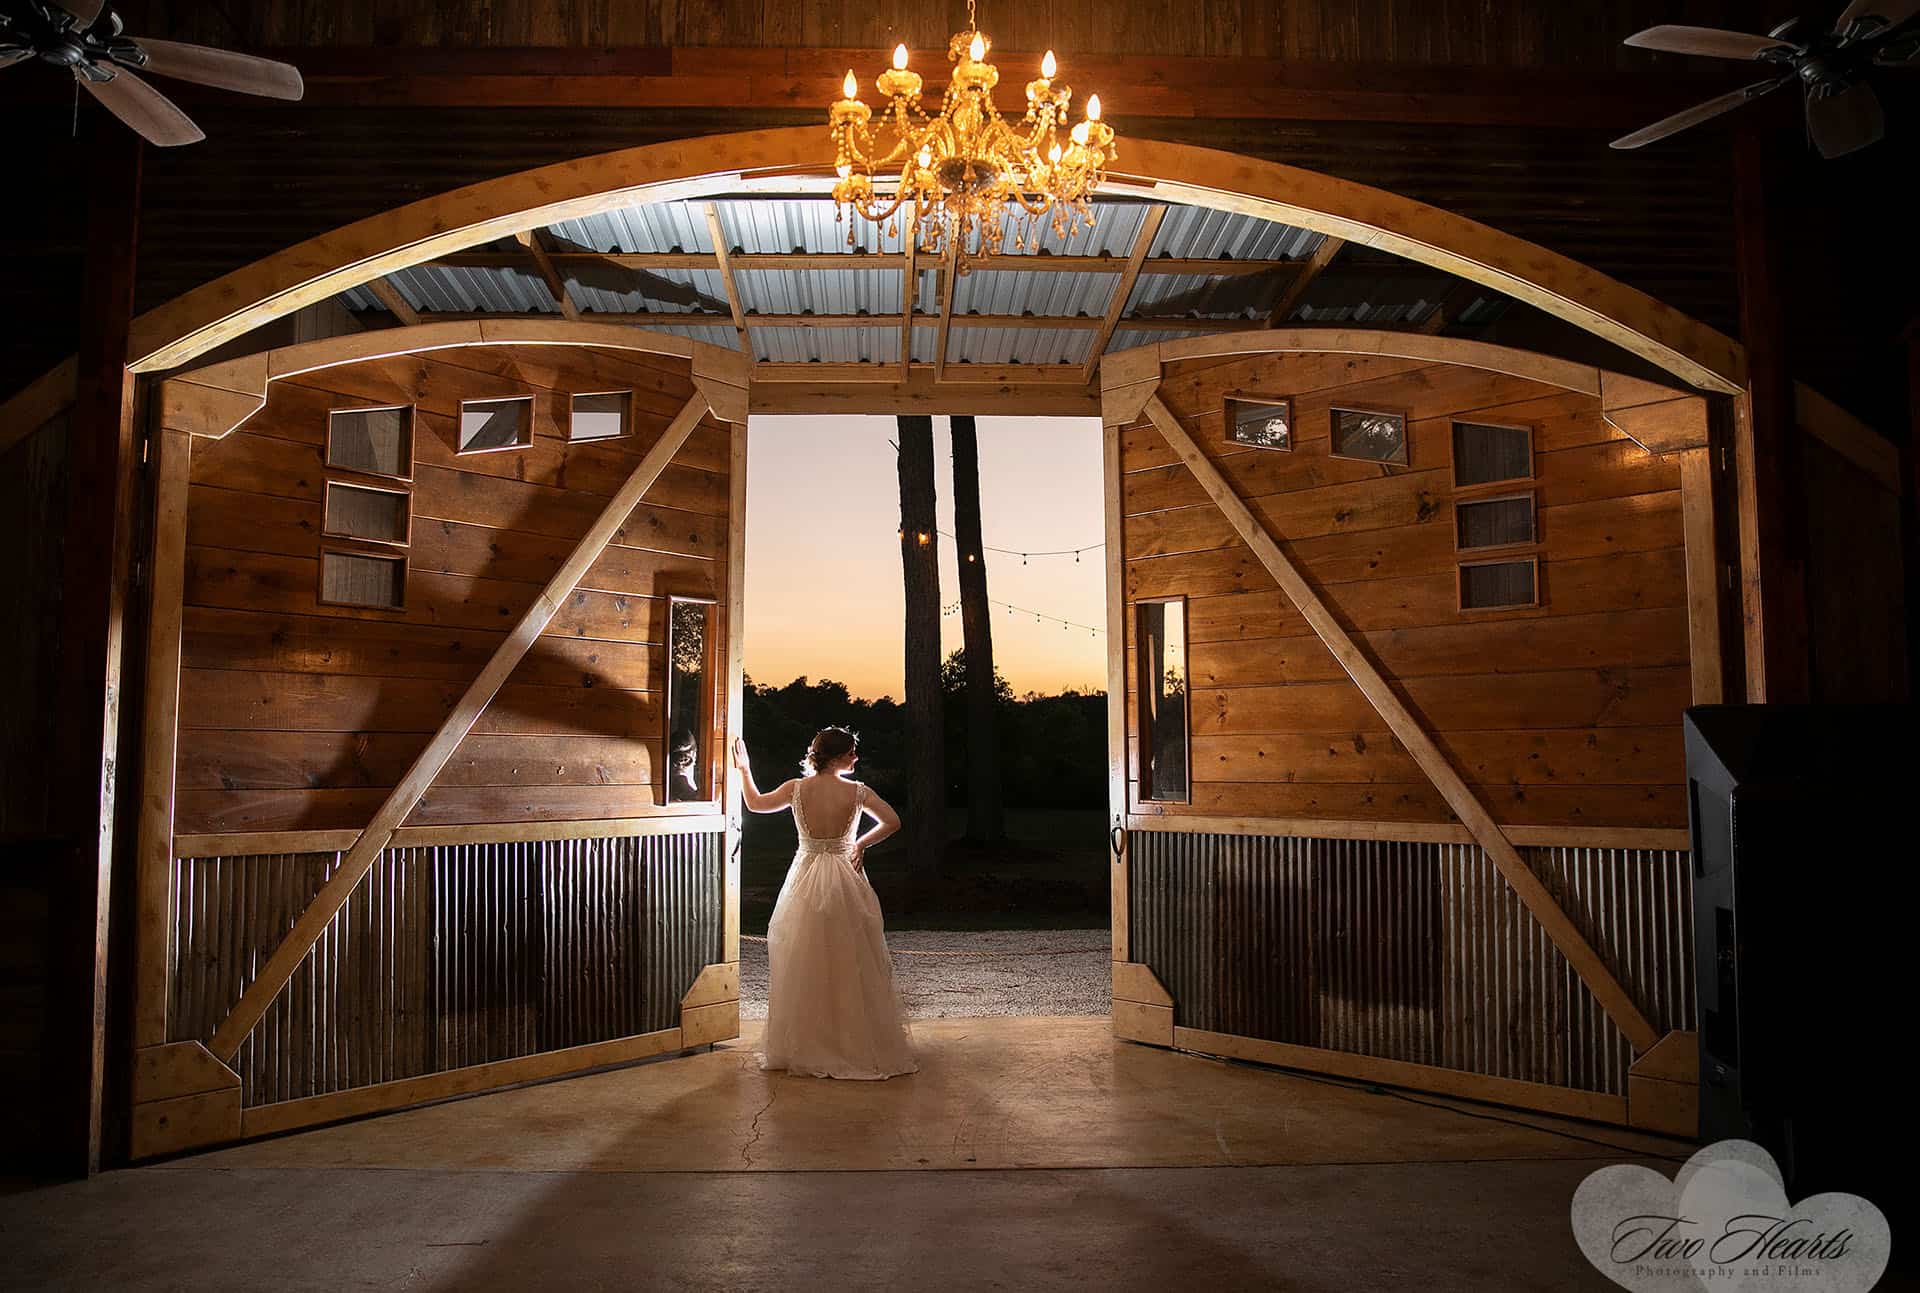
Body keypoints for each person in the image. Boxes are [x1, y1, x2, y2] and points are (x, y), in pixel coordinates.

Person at [731, 727, 917, 1079]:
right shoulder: (858, 792)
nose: (855, 759)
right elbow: (892, 821)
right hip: (845, 876)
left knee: (805, 957)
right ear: (838, 757)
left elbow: (755, 803)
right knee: (851, 957)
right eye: (852, 754)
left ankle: (807, 1043)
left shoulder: (796, 788)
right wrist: (860, 844)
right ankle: (853, 1042)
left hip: (806, 875)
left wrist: (744, 770)